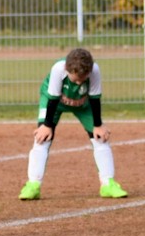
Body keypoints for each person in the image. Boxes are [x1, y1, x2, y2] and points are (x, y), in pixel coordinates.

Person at [18, 47, 128, 201]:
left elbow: (95, 98)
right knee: (42, 138)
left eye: (83, 79)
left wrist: (98, 125)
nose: (79, 82)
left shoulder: (94, 70)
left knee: (100, 138)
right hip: (54, 103)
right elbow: (53, 99)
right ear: (67, 69)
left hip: (84, 105)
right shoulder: (58, 69)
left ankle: (108, 184)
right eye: (75, 79)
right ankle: (33, 185)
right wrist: (47, 125)